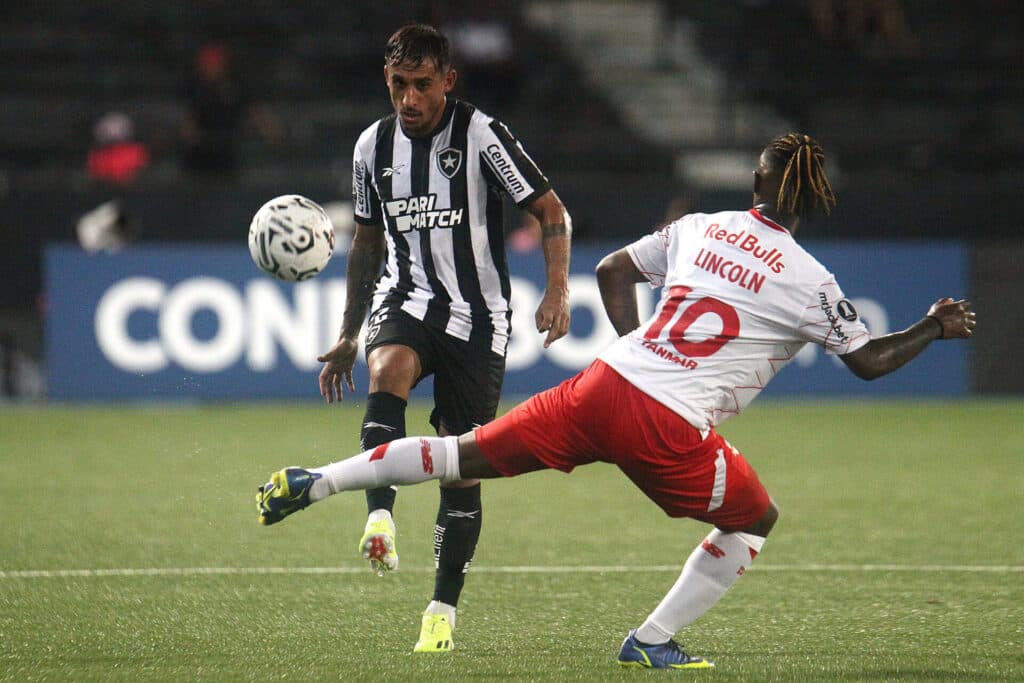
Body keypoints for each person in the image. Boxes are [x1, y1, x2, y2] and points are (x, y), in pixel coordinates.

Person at [257, 132, 974, 668]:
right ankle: (651, 641)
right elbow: (871, 362)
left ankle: (317, 480)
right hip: (667, 427)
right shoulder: (811, 279)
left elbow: (611, 269)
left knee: (457, 452)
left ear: (755, 179)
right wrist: (933, 327)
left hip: (604, 384)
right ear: (814, 199)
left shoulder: (704, 228)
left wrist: (640, 351)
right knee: (755, 517)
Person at [310, 24, 572, 653]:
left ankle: (441, 608)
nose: (409, 98)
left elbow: (551, 211)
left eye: (422, 84)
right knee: (387, 369)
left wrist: (558, 290)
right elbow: (368, 243)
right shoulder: (371, 148)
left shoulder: (481, 135)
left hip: (479, 318)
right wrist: (349, 334)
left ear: (448, 81)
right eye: (399, 84)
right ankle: (379, 514)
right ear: (387, 80)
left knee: (461, 464)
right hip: (408, 299)